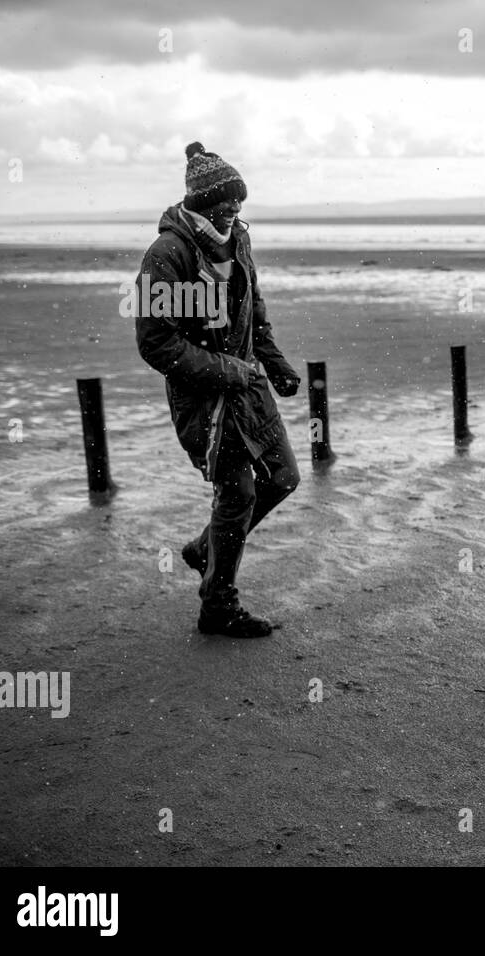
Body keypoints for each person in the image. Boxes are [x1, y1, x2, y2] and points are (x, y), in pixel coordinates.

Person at [135, 142, 301, 638]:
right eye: (224, 206)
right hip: (204, 402)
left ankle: (206, 549)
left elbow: (256, 312)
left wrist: (275, 364)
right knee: (239, 492)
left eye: (238, 205)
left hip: (250, 390)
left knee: (283, 478)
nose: (233, 213)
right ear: (200, 204)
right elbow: (155, 341)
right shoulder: (167, 254)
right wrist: (229, 370)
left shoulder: (240, 240)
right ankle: (218, 607)